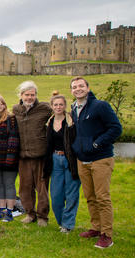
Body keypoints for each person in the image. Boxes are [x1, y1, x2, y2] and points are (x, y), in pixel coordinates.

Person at [70, 76, 122, 248]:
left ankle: (107, 235)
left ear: (87, 87)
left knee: (102, 197)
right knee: (90, 196)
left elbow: (116, 128)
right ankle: (96, 227)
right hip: (82, 159)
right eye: (75, 87)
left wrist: (97, 143)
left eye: (81, 86)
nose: (78, 89)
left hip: (101, 158)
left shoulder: (100, 106)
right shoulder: (74, 108)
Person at [12, 80, 52, 227]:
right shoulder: (16, 110)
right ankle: (30, 213)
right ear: (21, 95)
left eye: (32, 95)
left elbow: (58, 115)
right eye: (27, 95)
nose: (29, 98)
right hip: (23, 156)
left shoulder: (44, 108)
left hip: (40, 155)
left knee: (41, 187)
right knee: (25, 187)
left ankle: (42, 216)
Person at [43, 94, 81, 233]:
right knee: (56, 195)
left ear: (65, 106)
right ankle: (61, 221)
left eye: (61, 104)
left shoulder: (72, 121)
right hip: (55, 159)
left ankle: (68, 224)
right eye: (55, 105)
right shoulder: (49, 122)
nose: (58, 107)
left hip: (70, 160)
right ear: (52, 107)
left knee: (71, 193)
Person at [0, 95, 20, 222]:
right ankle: (1, 209)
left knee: (9, 184)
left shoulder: (11, 119)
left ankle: (10, 210)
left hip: (9, 157)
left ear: (4, 105)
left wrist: (10, 159)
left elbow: (13, 139)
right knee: (0, 184)